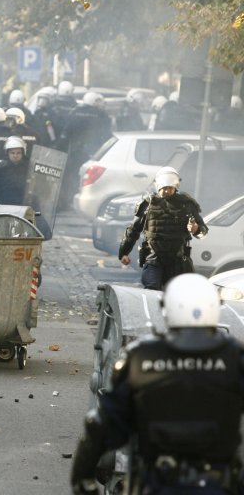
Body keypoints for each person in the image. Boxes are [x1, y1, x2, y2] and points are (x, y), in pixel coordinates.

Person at [71, 273, 244, 495]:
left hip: (155, 483)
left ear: (167, 309)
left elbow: (102, 425)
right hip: (218, 484)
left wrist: (83, 480)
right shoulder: (235, 357)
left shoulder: (141, 356)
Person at [119, 167, 208, 290]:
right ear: (158, 187)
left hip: (178, 260)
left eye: (170, 188)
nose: (167, 191)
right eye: (164, 188)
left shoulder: (186, 204)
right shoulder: (148, 204)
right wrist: (124, 252)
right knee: (151, 289)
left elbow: (203, 232)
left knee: (178, 295)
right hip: (154, 257)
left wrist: (196, 229)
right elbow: (134, 230)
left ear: (175, 187)